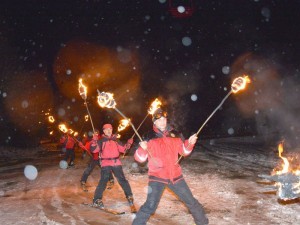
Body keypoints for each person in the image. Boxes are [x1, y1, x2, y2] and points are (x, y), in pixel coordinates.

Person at [132, 108, 209, 225]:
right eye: (159, 120)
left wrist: (190, 143)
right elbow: (140, 159)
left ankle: (203, 223)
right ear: (154, 122)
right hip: (157, 177)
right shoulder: (148, 136)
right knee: (150, 206)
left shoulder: (175, 134)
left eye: (164, 119)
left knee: (191, 202)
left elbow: (184, 152)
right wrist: (142, 149)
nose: (162, 122)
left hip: (175, 176)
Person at [91, 123, 136, 212]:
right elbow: (94, 150)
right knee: (103, 181)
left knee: (122, 180)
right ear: (103, 131)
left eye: (110, 129)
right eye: (106, 129)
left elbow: (124, 149)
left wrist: (128, 143)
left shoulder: (116, 140)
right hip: (105, 163)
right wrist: (94, 141)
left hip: (116, 162)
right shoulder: (101, 141)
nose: (109, 130)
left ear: (112, 130)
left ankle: (129, 196)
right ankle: (96, 199)